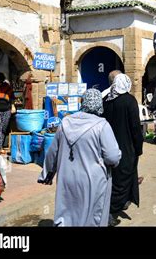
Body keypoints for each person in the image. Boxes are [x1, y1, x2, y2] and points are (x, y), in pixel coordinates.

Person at [38, 89, 122, 226]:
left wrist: (47, 175)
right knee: (93, 215)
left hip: (67, 178)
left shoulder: (65, 123)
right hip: (93, 180)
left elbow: (52, 152)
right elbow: (112, 157)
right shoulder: (102, 125)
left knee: (68, 212)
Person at [103, 74, 144, 225]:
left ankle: (124, 200)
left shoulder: (106, 100)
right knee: (123, 178)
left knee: (113, 177)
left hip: (108, 145)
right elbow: (135, 127)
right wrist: (138, 147)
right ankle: (110, 211)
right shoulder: (129, 101)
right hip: (126, 146)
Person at [0, 73, 14, 152]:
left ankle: (0, 146)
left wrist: (13, 106)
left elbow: (12, 97)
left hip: (6, 110)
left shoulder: (7, 86)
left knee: (4, 129)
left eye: (1, 80)